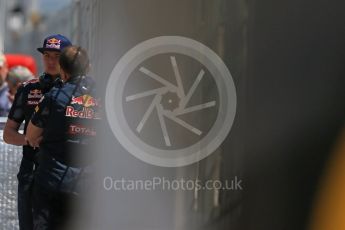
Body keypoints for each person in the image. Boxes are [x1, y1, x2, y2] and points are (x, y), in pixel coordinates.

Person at [26, 46, 100, 229]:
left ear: (62, 70)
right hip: (89, 184)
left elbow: (31, 135)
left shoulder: (53, 97)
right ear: (89, 67)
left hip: (52, 182)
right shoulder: (105, 97)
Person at [3, 34, 72, 230]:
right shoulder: (27, 90)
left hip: (65, 175)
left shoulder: (77, 93)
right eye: (47, 56)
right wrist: (29, 139)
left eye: (56, 57)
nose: (51, 61)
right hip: (31, 174)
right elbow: (8, 134)